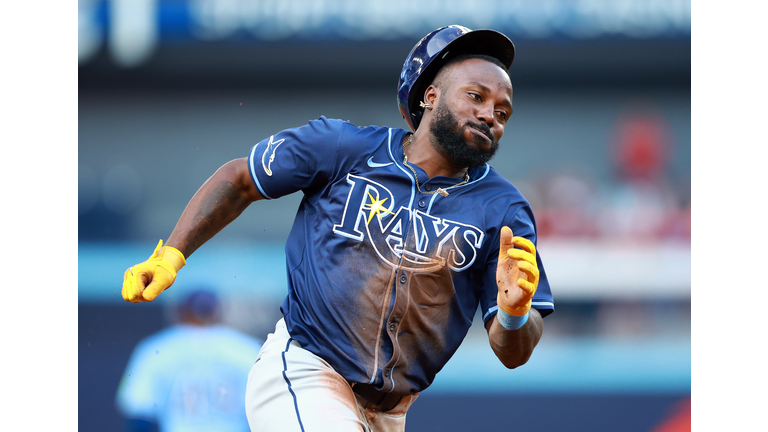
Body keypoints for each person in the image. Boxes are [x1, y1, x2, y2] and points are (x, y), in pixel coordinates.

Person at [121, 25, 555, 432]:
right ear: (430, 96)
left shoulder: (504, 210)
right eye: (475, 96)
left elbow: (513, 353)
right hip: (307, 369)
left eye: (502, 110)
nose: (490, 115)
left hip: (392, 412)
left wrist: (516, 316)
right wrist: (172, 254)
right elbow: (239, 180)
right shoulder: (342, 148)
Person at [115, 289, 263, 432]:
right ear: (218, 312)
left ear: (180, 313)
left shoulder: (156, 348)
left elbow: (139, 412)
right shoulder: (247, 348)